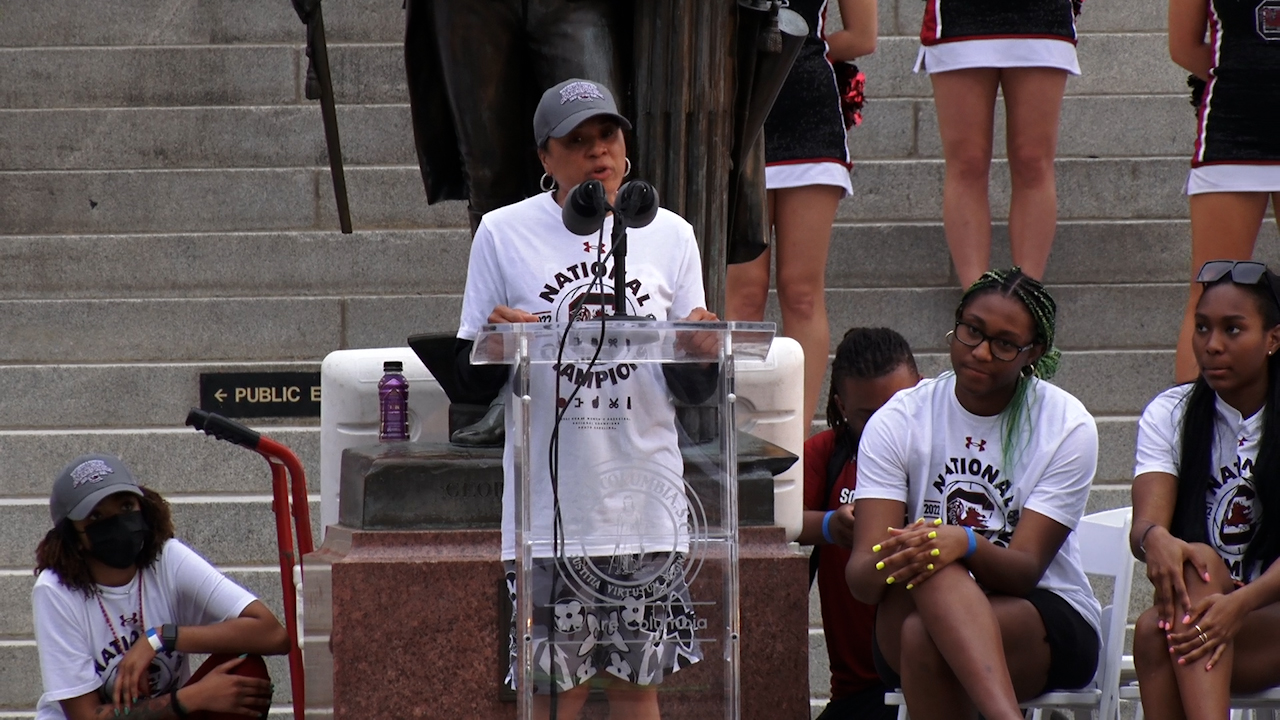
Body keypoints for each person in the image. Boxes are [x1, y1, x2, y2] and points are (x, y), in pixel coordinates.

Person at [454, 78, 717, 720]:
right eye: (578, 141)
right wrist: (497, 339)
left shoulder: (670, 234)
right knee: (553, 695)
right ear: (546, 157)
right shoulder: (502, 232)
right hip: (551, 514)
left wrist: (702, 347)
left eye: (608, 136)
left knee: (637, 691)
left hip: (648, 505)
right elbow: (467, 381)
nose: (599, 151)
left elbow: (692, 386)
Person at [847, 268, 1101, 720]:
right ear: (956, 323)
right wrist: (906, 553)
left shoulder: (1065, 425)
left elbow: (1023, 571)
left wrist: (962, 543)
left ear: (1034, 353)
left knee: (927, 630)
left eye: (1004, 344)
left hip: (1043, 613)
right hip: (909, 609)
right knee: (932, 568)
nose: (981, 352)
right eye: (972, 331)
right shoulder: (901, 418)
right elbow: (863, 579)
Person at [32, 453, 289, 720]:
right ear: (73, 536)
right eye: (96, 517)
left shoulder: (167, 559)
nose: (117, 522)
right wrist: (191, 698)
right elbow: (86, 717)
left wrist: (160, 638)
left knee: (245, 670)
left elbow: (273, 635)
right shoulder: (54, 590)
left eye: (126, 506)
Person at [1131, 260, 1280, 718]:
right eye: (1202, 328)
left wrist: (1241, 604)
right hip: (1202, 617)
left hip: (1269, 611)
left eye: (1233, 330)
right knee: (1173, 600)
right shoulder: (1171, 413)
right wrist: (1154, 539)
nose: (1212, 346)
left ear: (1274, 338)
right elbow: (1147, 525)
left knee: (1165, 629)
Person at [726, 0, 878, 428]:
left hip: (808, 115)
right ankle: (734, 430)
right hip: (736, 108)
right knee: (743, 291)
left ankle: (796, 433)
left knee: (802, 292)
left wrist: (797, 48)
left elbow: (863, 36)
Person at [915, 0, 1081, 287]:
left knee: (1033, 160)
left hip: (1041, 17)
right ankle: (976, 311)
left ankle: (1026, 307)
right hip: (960, 16)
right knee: (967, 162)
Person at [802, 327, 919, 720]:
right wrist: (831, 525)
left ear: (920, 389)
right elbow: (771, 520)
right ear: (840, 405)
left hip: (933, 673)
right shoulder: (827, 453)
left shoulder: (942, 448)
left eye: (897, 406)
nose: (887, 425)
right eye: (869, 416)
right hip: (859, 690)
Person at [1169, 1, 1280, 382]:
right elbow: (1183, 46)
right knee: (1210, 294)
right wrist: (1243, 78)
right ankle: (1189, 435)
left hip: (1235, 126)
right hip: (1233, 133)